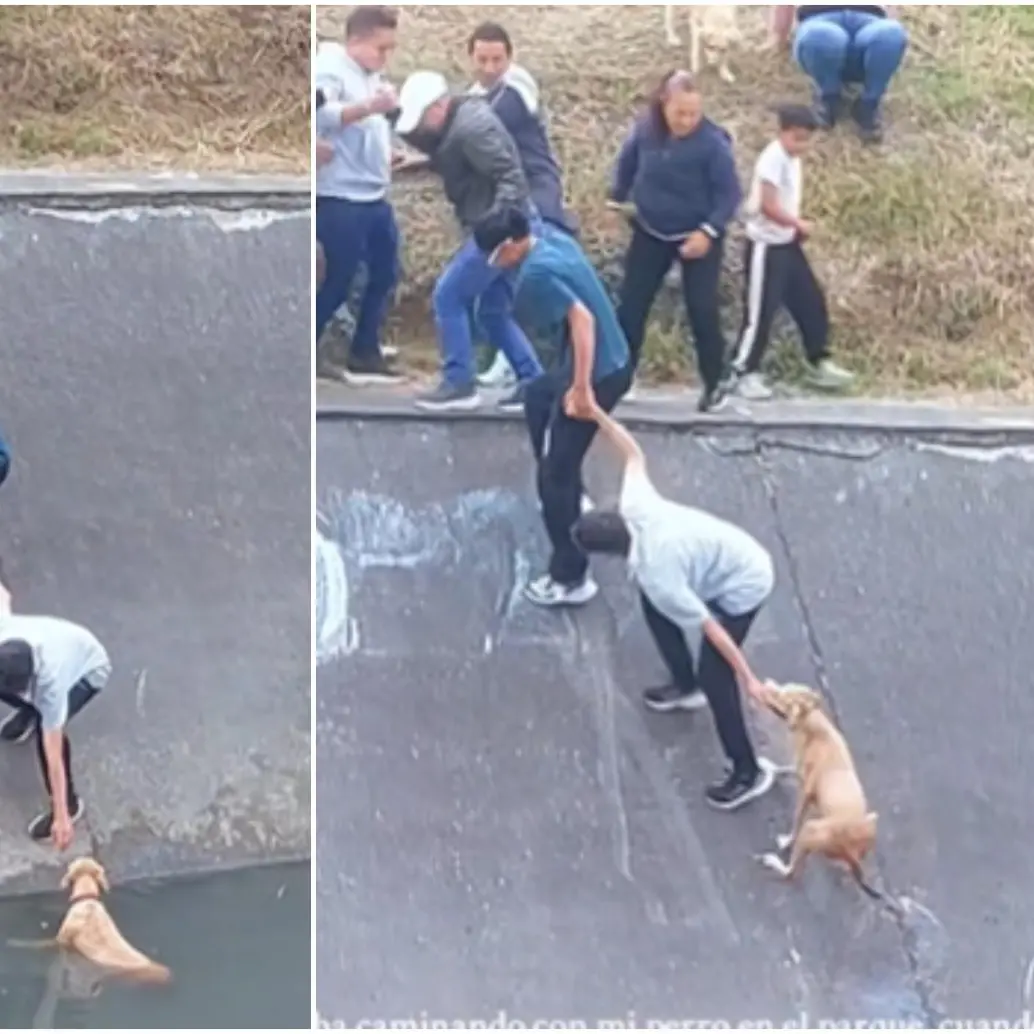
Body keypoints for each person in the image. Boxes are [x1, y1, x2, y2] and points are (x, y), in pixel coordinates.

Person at [570, 404, 778, 810]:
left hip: (746, 582)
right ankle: (685, 684)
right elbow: (632, 453)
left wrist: (748, 678)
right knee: (655, 610)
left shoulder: (658, 574)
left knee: (716, 676)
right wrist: (595, 412)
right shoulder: (636, 505)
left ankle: (748, 771)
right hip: (721, 557)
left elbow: (713, 631)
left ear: (608, 554)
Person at [472, 206, 631, 607]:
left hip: (598, 374)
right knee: (538, 397)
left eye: (493, 256)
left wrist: (580, 390)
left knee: (554, 476)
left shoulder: (538, 274)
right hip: (602, 361)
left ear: (510, 247)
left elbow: (583, 322)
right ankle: (569, 488)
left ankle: (570, 576)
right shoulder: (552, 241)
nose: (492, 265)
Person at [394, 71, 545, 412]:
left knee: (449, 295)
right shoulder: (459, 122)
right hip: (515, 224)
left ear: (438, 106)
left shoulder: (471, 129)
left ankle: (459, 383)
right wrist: (420, 163)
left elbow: (511, 177)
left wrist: (498, 230)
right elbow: (458, 157)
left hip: (502, 228)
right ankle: (533, 383)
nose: (419, 130)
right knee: (493, 311)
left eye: (421, 121)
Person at [609, 71, 743, 414]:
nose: (686, 121)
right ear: (664, 105)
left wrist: (708, 232)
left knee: (701, 308)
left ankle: (716, 381)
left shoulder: (713, 144)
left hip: (698, 233)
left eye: (693, 114)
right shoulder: (645, 130)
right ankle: (619, 378)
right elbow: (627, 165)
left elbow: (729, 196)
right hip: (651, 229)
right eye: (679, 113)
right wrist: (617, 197)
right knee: (632, 306)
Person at [466, 21, 576, 394]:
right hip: (507, 194)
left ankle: (532, 361)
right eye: (482, 59)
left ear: (510, 58)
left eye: (497, 59)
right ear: (470, 59)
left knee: (532, 272)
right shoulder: (473, 98)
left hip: (537, 186)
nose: (490, 67)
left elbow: (495, 120)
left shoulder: (518, 85)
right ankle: (509, 357)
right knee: (504, 274)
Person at [728, 104, 854, 399]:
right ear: (782, 132)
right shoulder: (772, 160)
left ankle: (818, 360)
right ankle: (743, 371)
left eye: (807, 139)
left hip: (786, 243)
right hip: (765, 245)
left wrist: (793, 229)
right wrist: (797, 222)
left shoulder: (792, 158)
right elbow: (769, 206)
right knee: (760, 313)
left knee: (810, 301)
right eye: (797, 138)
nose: (803, 145)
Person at [314, 6, 403, 384]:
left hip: (373, 194)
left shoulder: (370, 72)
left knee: (385, 271)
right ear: (356, 41)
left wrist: (387, 149)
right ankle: (307, 347)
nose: (385, 57)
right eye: (381, 48)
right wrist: (371, 106)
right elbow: (321, 112)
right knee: (341, 276)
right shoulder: (330, 68)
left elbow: (368, 125)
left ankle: (364, 349)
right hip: (340, 196)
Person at [0, 575, 111, 848]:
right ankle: (28, 712)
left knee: (45, 732)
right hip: (56, 645)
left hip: (88, 671)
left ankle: (72, 804)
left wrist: (61, 815)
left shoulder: (51, 684)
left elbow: (54, 755)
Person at [771, 5, 909, 144]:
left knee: (890, 34)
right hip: (819, 20)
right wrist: (780, 38)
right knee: (822, 36)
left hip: (871, 20)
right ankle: (828, 98)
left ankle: (869, 103)